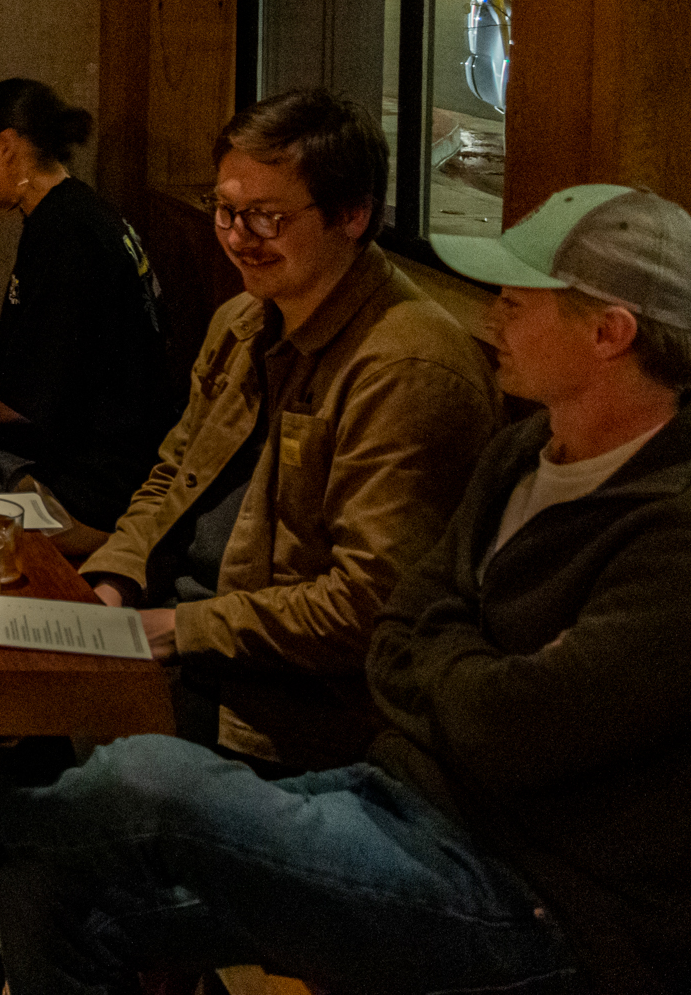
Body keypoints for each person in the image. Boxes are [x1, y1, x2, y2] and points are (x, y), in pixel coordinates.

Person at [0, 185, 691, 995]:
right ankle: (7, 841)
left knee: (152, 780)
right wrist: (455, 665)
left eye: (518, 298)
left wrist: (442, 664)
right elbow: (408, 627)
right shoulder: (525, 452)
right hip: (406, 807)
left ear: (611, 332)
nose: (492, 312)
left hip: (541, 908)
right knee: (55, 885)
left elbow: (507, 723)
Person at [80, 89, 500, 770]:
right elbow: (172, 473)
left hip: (287, 709)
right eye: (226, 210)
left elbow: (370, 603)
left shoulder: (407, 367)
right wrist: (113, 583)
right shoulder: (243, 320)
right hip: (185, 635)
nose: (238, 236)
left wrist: (177, 629)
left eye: (266, 217)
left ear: (353, 215)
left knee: (68, 808)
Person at [0, 79, 175, 557]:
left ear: (7, 146)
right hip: (94, 463)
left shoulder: (66, 234)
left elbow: (25, 401)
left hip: (100, 490)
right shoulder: (77, 212)